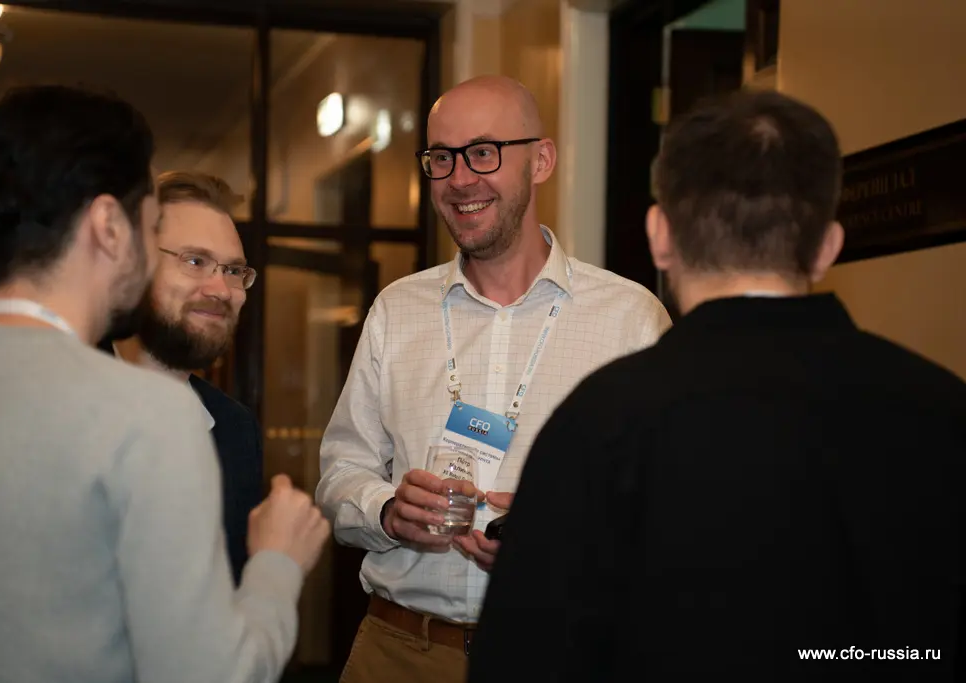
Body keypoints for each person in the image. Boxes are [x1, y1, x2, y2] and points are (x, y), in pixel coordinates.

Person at [468, 89, 966, 682]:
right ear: (828, 248)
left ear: (660, 236)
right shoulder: (943, 409)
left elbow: (523, 657)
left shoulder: (599, 420)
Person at [0, 84, 329, 683]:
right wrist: (278, 562)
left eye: (233, 270)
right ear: (109, 228)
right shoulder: (148, 416)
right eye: (151, 231)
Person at [316, 74, 671, 683]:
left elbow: (671, 506)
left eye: (483, 152)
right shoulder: (396, 310)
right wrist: (388, 510)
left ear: (541, 161)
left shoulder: (630, 319)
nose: (459, 179)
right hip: (398, 652)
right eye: (441, 158)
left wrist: (563, 542)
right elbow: (340, 472)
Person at [101, 170, 262, 585]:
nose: (221, 289)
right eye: (195, 261)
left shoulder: (236, 430)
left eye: (234, 270)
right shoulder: (57, 400)